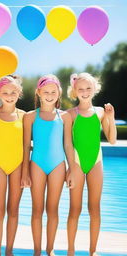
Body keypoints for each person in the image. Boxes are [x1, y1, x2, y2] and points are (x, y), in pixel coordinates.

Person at [21, 74, 75, 256]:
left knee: (53, 209)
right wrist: (24, 172)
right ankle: (37, 250)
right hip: (36, 164)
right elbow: (26, 146)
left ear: (59, 93)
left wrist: (72, 169)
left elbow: (68, 144)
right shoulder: (29, 117)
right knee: (37, 210)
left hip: (58, 165)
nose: (50, 95)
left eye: (53, 91)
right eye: (46, 92)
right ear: (38, 92)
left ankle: (50, 249)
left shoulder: (65, 117)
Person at [67, 73, 117, 256]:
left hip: (96, 162)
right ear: (74, 91)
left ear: (95, 89)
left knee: (94, 208)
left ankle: (93, 251)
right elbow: (66, 143)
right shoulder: (70, 114)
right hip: (77, 163)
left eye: (88, 88)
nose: (85, 92)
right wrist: (70, 168)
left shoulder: (100, 112)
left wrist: (111, 117)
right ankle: (71, 250)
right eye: (81, 89)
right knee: (75, 208)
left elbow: (111, 140)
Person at [0, 75, 25, 256]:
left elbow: (26, 147)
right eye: (5, 92)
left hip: (17, 165)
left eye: (13, 92)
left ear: (19, 93)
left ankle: (8, 251)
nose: (9, 95)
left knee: (14, 210)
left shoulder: (24, 116)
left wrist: (26, 172)